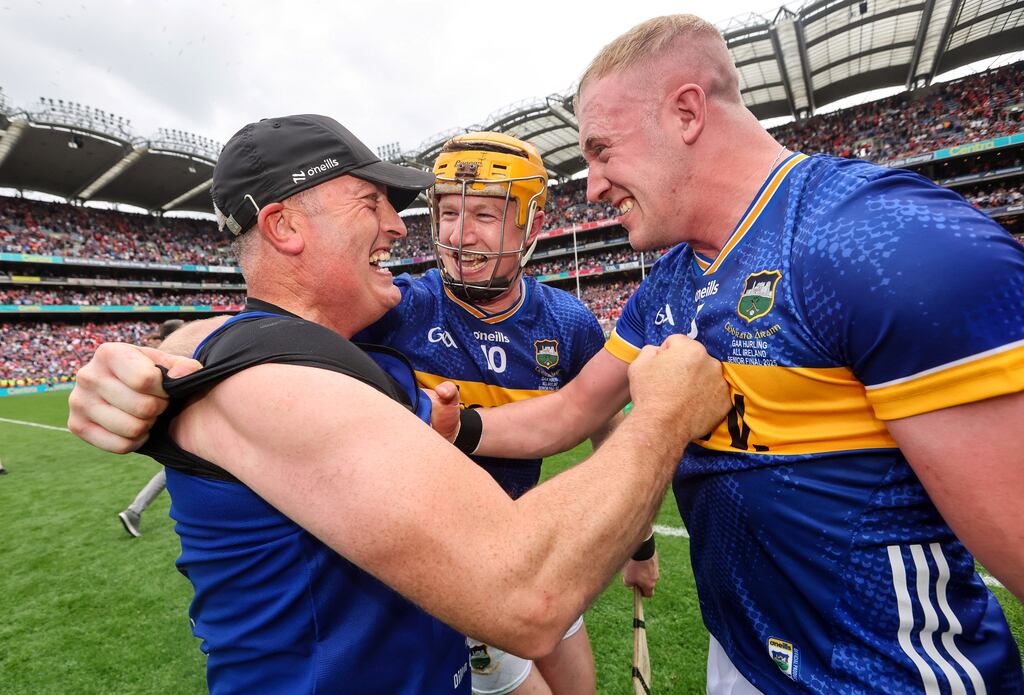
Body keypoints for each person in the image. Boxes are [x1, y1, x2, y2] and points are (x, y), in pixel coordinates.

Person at [72, 16, 1024, 692]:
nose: (593, 182)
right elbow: (566, 419)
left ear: (687, 111)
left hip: (888, 674)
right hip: (734, 649)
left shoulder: (890, 245)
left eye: (602, 149)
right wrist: (156, 359)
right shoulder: (663, 290)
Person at [67, 113, 730, 694]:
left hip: (506, 558)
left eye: (485, 212)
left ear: (528, 221)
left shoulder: (557, 321)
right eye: (375, 204)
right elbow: (259, 331)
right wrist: (152, 353)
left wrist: (158, 353)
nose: (407, 227)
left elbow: (577, 419)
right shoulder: (391, 314)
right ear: (286, 225)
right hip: (503, 569)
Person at [118, 319, 184, 537]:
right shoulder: (172, 359)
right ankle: (134, 510)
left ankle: (134, 511)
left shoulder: (153, 359)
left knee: (169, 472)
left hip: (167, 427)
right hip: (178, 426)